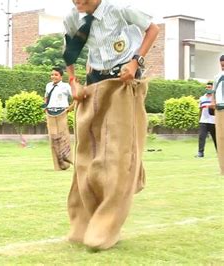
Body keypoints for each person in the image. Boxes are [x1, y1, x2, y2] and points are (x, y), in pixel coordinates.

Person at [62, 0, 159, 250]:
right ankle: (83, 222)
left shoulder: (120, 10)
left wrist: (135, 61)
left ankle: (106, 227)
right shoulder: (74, 17)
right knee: (86, 154)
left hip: (124, 82)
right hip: (94, 83)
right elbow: (69, 49)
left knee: (118, 156)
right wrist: (73, 81)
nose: (77, 1)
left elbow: (153, 29)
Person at [44, 67, 73, 170]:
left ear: (61, 76)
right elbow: (46, 98)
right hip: (50, 113)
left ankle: (67, 160)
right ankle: (58, 165)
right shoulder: (48, 86)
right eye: (52, 75)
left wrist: (69, 109)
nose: (53, 77)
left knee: (63, 137)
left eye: (56, 75)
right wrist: (45, 108)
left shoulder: (65, 86)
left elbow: (75, 97)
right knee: (53, 138)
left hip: (62, 112)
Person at [195, 82, 217, 158]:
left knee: (215, 138)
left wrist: (212, 106)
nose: (208, 88)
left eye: (209, 87)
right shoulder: (202, 98)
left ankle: (219, 152)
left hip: (213, 121)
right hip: (203, 121)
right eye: (207, 87)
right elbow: (200, 109)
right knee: (202, 137)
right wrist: (199, 119)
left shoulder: (215, 98)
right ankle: (200, 153)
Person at [211, 55, 224, 174]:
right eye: (221, 63)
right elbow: (214, 92)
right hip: (220, 108)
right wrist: (213, 102)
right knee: (220, 138)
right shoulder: (217, 77)